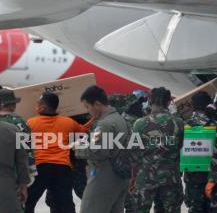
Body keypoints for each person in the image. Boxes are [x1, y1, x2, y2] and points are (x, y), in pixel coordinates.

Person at [25, 92, 93, 213]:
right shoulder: (68, 122)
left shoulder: (30, 123)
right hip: (62, 168)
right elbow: (84, 130)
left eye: (37, 105)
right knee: (64, 204)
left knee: (28, 202)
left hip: (40, 167)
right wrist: (95, 118)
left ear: (43, 107)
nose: (36, 107)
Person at [75, 85, 130, 213]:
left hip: (104, 176)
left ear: (97, 104)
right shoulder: (119, 119)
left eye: (87, 107)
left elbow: (98, 152)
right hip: (119, 176)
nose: (88, 111)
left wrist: (78, 148)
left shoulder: (104, 124)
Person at [131, 87, 184, 212]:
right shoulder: (178, 123)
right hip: (171, 178)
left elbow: (133, 152)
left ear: (149, 100)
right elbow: (179, 147)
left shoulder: (140, 123)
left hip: (145, 178)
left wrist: (133, 177)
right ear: (168, 102)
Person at [183, 91, 216, 212]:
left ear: (192, 105)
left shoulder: (185, 125)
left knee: (195, 208)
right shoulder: (213, 123)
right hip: (212, 178)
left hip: (193, 178)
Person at [0, 88, 37, 187]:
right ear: (12, 105)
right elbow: (27, 148)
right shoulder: (19, 122)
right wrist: (31, 171)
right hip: (13, 172)